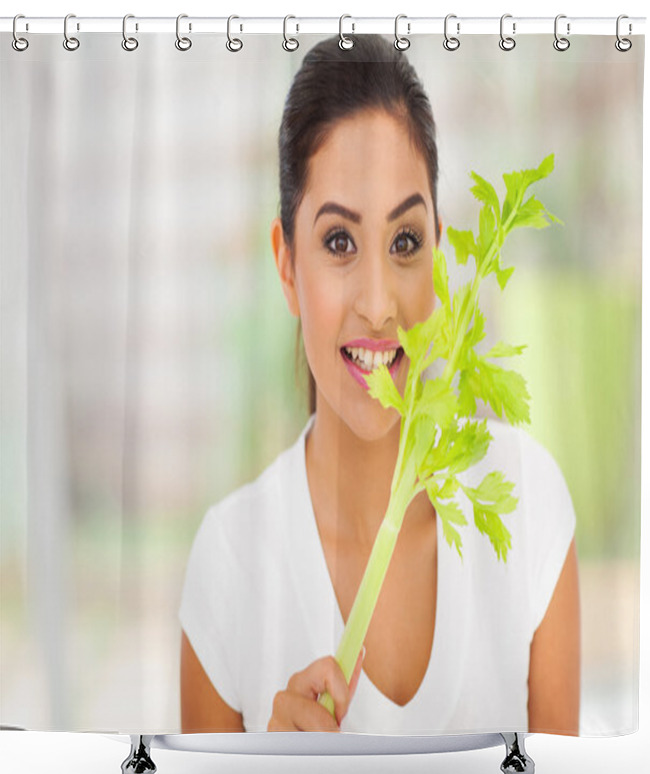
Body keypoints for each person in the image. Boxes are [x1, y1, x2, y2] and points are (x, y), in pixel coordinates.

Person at [179, 34, 580, 736]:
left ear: (439, 252)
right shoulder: (229, 566)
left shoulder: (531, 506)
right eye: (338, 242)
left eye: (404, 242)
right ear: (285, 265)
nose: (378, 302)